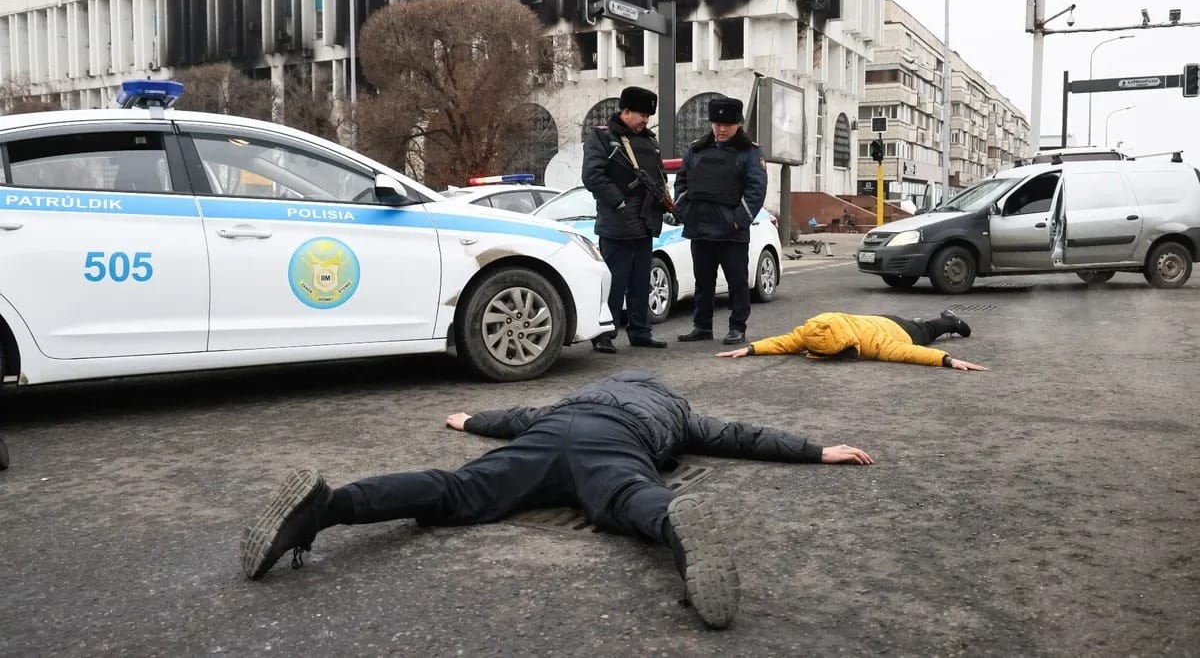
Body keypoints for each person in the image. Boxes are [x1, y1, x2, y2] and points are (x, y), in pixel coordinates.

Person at [240, 370, 873, 629]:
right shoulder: (675, 410)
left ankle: (326, 507)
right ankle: (679, 531)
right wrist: (817, 449)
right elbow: (740, 437)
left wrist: (470, 420)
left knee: (456, 489)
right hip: (614, 448)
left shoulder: (576, 395)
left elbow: (516, 414)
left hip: (548, 437)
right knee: (632, 498)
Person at [582, 86, 671, 352]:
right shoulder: (602, 137)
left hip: (644, 223)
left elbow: (659, 175)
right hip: (617, 224)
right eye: (641, 114)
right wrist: (619, 201)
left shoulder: (650, 141)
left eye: (648, 115)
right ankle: (604, 334)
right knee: (614, 282)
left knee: (640, 281)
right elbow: (592, 176)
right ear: (625, 111)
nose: (645, 120)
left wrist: (663, 200)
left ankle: (641, 331)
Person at [673, 97, 768, 346]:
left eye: (727, 124)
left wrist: (739, 220)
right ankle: (702, 326)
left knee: (737, 282)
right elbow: (682, 181)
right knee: (703, 281)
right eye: (717, 124)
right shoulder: (697, 148)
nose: (721, 129)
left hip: (731, 231)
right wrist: (683, 210)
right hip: (700, 227)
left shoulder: (750, 152)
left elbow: (756, 189)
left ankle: (737, 327)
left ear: (737, 124)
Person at [716, 310, 987, 370]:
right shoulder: (813, 330)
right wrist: (750, 349)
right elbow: (782, 342)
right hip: (871, 318)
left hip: (895, 329)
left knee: (927, 331)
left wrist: (949, 360)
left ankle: (951, 321)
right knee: (919, 325)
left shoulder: (874, 343)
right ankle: (922, 321)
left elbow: (910, 353)